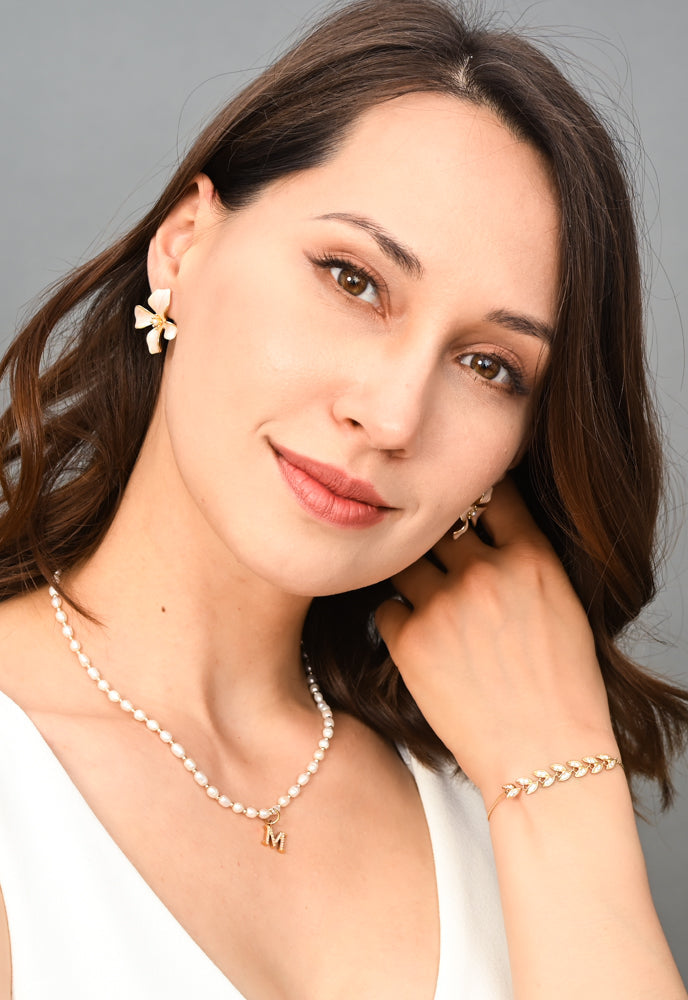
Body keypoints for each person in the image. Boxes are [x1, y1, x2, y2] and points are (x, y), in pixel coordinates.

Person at [0, 0, 686, 996]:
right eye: (352, 279)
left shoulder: (502, 791)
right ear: (184, 245)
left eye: (489, 365)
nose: (393, 415)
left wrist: (560, 776)